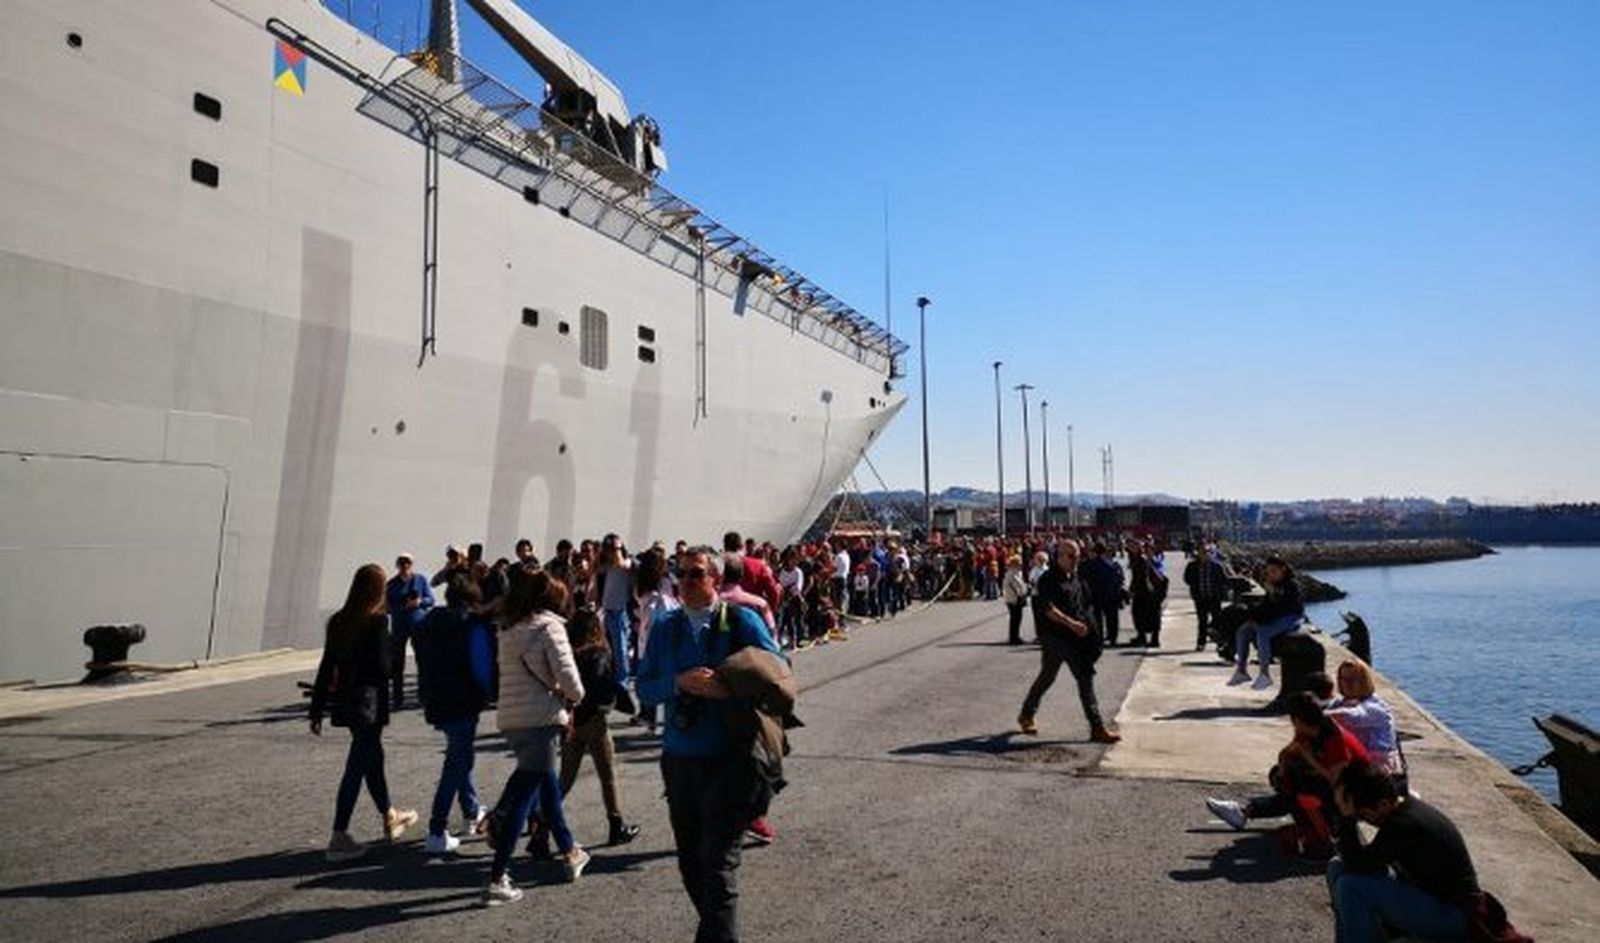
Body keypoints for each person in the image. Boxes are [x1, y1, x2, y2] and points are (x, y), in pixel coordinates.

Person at [638, 546, 782, 943]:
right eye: (680, 574)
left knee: (718, 867)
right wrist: (677, 683)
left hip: (730, 759)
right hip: (679, 761)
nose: (684, 582)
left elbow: (779, 670)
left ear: (716, 579)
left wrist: (727, 687)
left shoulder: (741, 621)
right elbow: (645, 688)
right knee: (691, 865)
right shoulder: (665, 627)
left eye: (695, 573)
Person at [480, 569, 589, 905]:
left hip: (512, 718)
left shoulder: (509, 627)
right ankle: (498, 875)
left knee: (544, 783)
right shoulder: (549, 627)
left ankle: (569, 850)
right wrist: (577, 696)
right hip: (541, 717)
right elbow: (568, 677)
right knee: (526, 795)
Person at [1326, 763, 1519, 943]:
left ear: (1383, 804)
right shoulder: (1403, 811)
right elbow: (1362, 862)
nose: (1363, 820)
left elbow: (1360, 865)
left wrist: (1346, 820)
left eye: (1361, 815)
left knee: (1351, 886)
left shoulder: (1403, 824)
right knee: (1337, 866)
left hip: (1454, 915)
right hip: (1426, 896)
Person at [309, 564, 417, 862]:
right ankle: (339, 835)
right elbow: (384, 668)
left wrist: (316, 708)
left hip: (347, 701)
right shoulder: (378, 622)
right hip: (369, 702)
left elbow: (326, 666)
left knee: (371, 759)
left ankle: (389, 814)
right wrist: (391, 645)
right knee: (357, 765)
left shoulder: (338, 621)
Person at [1205, 692, 1369, 858]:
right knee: (1282, 777)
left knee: (1298, 786)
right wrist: (1283, 770)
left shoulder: (1333, 738)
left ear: (1296, 720)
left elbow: (1337, 781)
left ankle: (1324, 833)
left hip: (1354, 791)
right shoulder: (1308, 729)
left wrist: (1310, 761)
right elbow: (1289, 753)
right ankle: (1246, 812)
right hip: (1332, 782)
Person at [414, 575, 493, 854]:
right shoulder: (471, 625)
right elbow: (482, 669)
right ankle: (437, 829)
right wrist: (488, 693)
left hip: (437, 698)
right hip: (464, 700)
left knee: (460, 756)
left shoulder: (430, 623)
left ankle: (471, 810)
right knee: (456, 762)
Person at [550, 608, 641, 847]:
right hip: (594, 719)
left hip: (572, 718)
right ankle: (615, 824)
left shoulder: (569, 653)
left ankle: (541, 821)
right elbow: (603, 686)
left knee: (565, 778)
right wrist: (614, 702)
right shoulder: (598, 652)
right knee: (607, 774)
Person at [1018, 541, 1120, 744]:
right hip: (1056, 637)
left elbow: (1085, 605)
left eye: (1078, 556)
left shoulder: (1076, 577)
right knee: (1065, 676)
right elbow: (1048, 609)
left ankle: (1028, 714)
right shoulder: (1048, 579)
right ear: (1060, 556)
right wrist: (1071, 624)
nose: (1076, 560)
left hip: (1076, 637)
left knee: (1066, 677)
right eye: (1071, 556)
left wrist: (1091, 630)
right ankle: (1096, 727)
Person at [1227, 554, 1305, 690]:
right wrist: (1254, 617)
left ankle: (1265, 674)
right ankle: (1241, 671)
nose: (1271, 575)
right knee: (1244, 630)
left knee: (1263, 632)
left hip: (1292, 617)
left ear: (1283, 569)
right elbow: (1267, 606)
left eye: (1274, 571)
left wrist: (1273, 593)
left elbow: (1285, 608)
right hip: (1276, 616)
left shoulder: (1292, 585)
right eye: (1268, 572)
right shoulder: (1273, 584)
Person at [1327, 660, 1403, 780]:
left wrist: (1321, 715)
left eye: (1352, 679)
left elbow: (1353, 716)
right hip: (1353, 762)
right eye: (1343, 679)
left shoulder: (1375, 707)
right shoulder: (1340, 702)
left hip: (1378, 769)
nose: (1347, 684)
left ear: (1363, 681)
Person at [384, 554, 434, 709]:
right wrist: (402, 607)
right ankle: (397, 698)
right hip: (400, 626)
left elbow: (431, 600)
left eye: (408, 562)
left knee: (423, 660)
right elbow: (386, 607)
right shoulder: (391, 584)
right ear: (397, 565)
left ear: (412, 564)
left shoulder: (420, 580)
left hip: (418, 625)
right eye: (402, 563)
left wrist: (419, 602)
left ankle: (424, 695)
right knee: (397, 663)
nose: (405, 565)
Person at [596, 534, 636, 710]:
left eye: (614, 549)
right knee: (605, 649)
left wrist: (618, 550)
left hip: (620, 611)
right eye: (609, 549)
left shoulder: (627, 563)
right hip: (606, 610)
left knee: (620, 649)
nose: (611, 552)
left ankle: (622, 684)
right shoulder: (605, 566)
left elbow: (624, 564)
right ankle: (610, 681)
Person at [1079, 542, 1126, 647]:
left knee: (1097, 618)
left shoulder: (1087, 565)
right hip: (1111, 594)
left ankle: (1099, 637)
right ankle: (1113, 637)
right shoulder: (1112, 564)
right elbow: (1119, 578)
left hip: (1095, 595)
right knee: (1112, 617)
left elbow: (1082, 579)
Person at [1182, 546, 1228, 652]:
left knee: (1217, 621)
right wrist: (1194, 586)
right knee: (1202, 621)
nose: (1205, 554)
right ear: (1198, 553)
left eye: (1208, 552)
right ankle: (1201, 643)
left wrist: (1220, 593)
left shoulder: (1217, 566)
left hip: (1214, 598)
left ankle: (1220, 643)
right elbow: (1187, 579)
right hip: (1200, 598)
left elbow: (1223, 580)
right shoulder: (1192, 566)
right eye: (1203, 552)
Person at [1128, 539, 1167, 648]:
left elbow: (1141, 577)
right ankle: (1144, 637)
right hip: (1146, 591)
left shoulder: (1142, 560)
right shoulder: (1137, 559)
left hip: (1145, 592)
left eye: (1133, 546)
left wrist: (1132, 590)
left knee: (1143, 614)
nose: (1131, 548)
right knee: (1144, 615)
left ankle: (1149, 638)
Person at [1001, 554, 1030, 645]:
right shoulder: (1012, 574)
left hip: (1014, 598)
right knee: (1015, 619)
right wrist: (1024, 591)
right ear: (1014, 564)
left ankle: (1015, 636)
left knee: (1016, 619)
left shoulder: (1015, 573)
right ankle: (1014, 638)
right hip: (1013, 599)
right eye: (1019, 563)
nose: (1021, 564)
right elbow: (1017, 586)